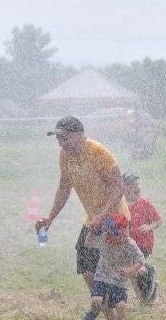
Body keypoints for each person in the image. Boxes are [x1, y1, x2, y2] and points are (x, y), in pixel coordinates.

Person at [35, 115, 130, 289]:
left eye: (64, 138)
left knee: (117, 266)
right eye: (58, 139)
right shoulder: (65, 155)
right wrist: (50, 219)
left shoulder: (98, 152)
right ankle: (105, 306)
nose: (61, 143)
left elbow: (119, 187)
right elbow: (64, 188)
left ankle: (142, 278)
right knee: (87, 268)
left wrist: (103, 215)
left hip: (114, 218)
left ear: (79, 135)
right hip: (93, 219)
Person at [81, 213, 145, 320]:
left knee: (121, 306)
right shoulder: (105, 240)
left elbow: (140, 260)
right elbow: (88, 243)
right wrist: (91, 229)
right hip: (102, 278)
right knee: (96, 301)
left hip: (119, 281)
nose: (120, 239)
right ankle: (94, 311)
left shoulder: (130, 244)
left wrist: (130, 270)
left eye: (124, 234)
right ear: (109, 234)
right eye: (117, 236)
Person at [123, 172, 162, 304]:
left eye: (137, 185)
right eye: (133, 185)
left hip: (144, 243)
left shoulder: (144, 203)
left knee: (132, 267)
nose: (137, 188)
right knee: (131, 272)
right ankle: (145, 297)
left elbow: (158, 220)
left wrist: (149, 227)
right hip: (129, 244)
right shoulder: (122, 206)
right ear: (124, 188)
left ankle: (148, 272)